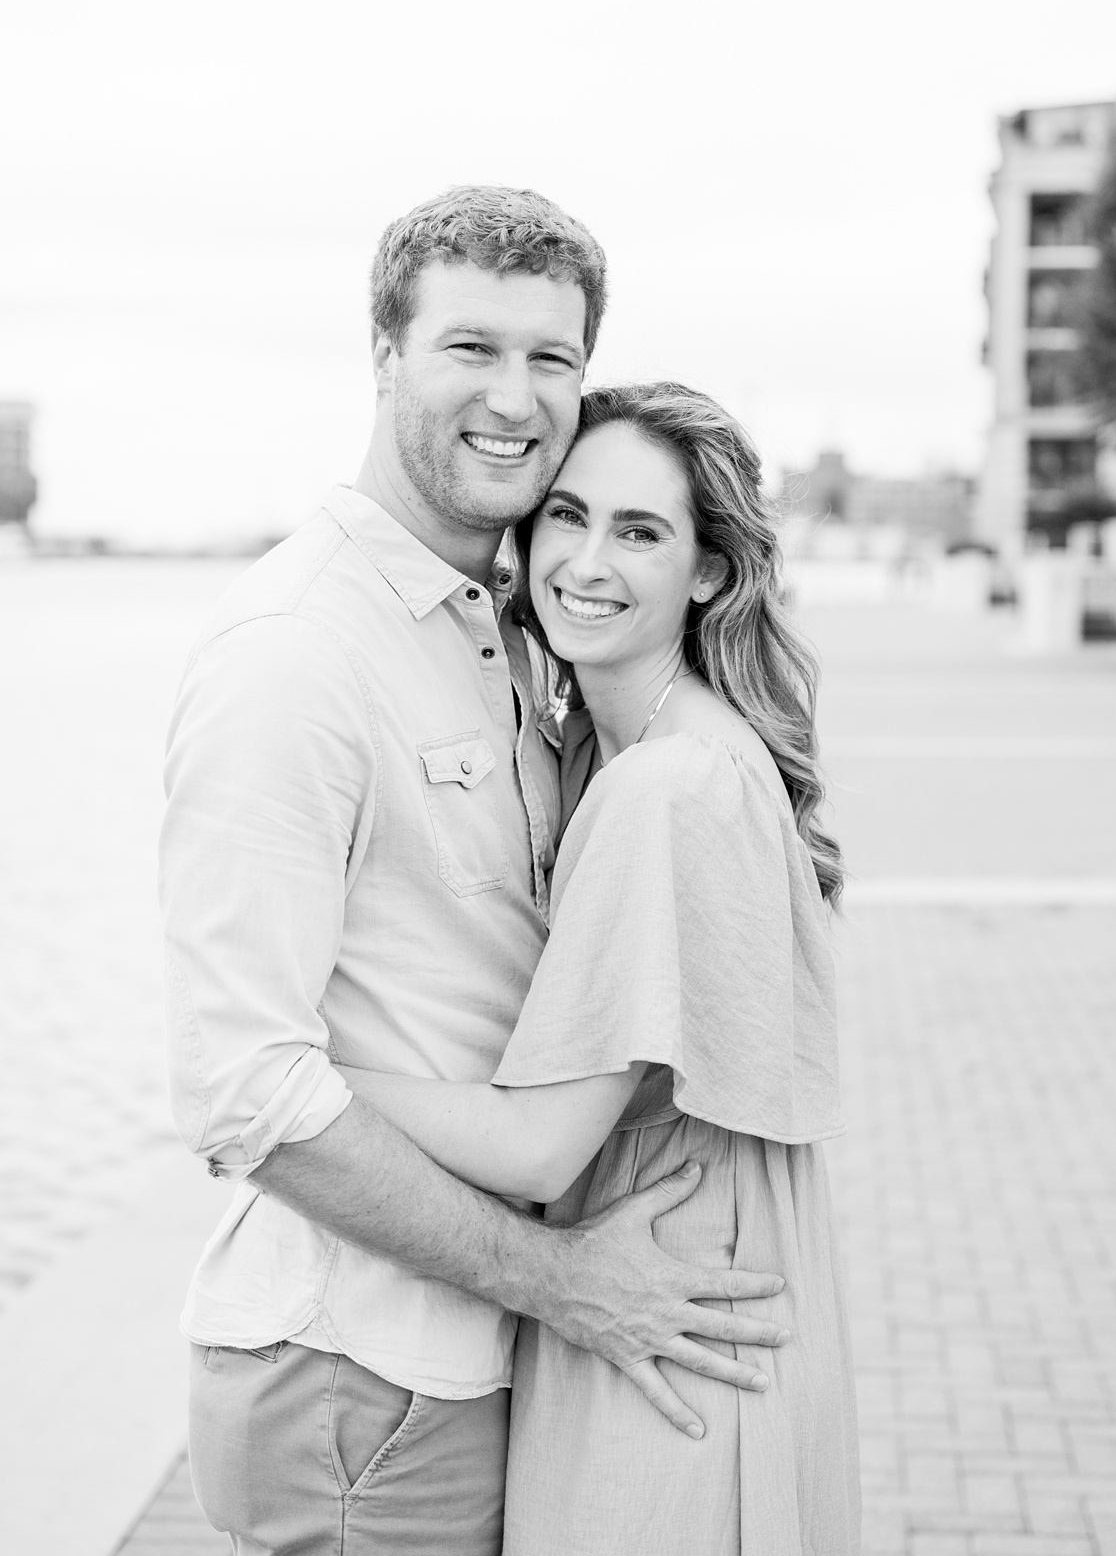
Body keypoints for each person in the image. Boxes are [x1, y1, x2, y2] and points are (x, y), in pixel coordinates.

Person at [166, 189, 793, 1555]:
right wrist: (564, 1284)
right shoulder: (294, 656)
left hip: (471, 1361)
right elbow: (241, 1088)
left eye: (551, 359)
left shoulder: (505, 631)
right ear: (384, 355)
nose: (514, 397)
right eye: (471, 348)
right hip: (358, 1379)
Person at [334, 382, 860, 1553]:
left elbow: (537, 1143)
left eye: (640, 531)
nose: (586, 558)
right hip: (698, 1289)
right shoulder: (651, 751)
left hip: (662, 1323)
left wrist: (305, 1065)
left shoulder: (663, 788)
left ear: (711, 570)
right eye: (566, 515)